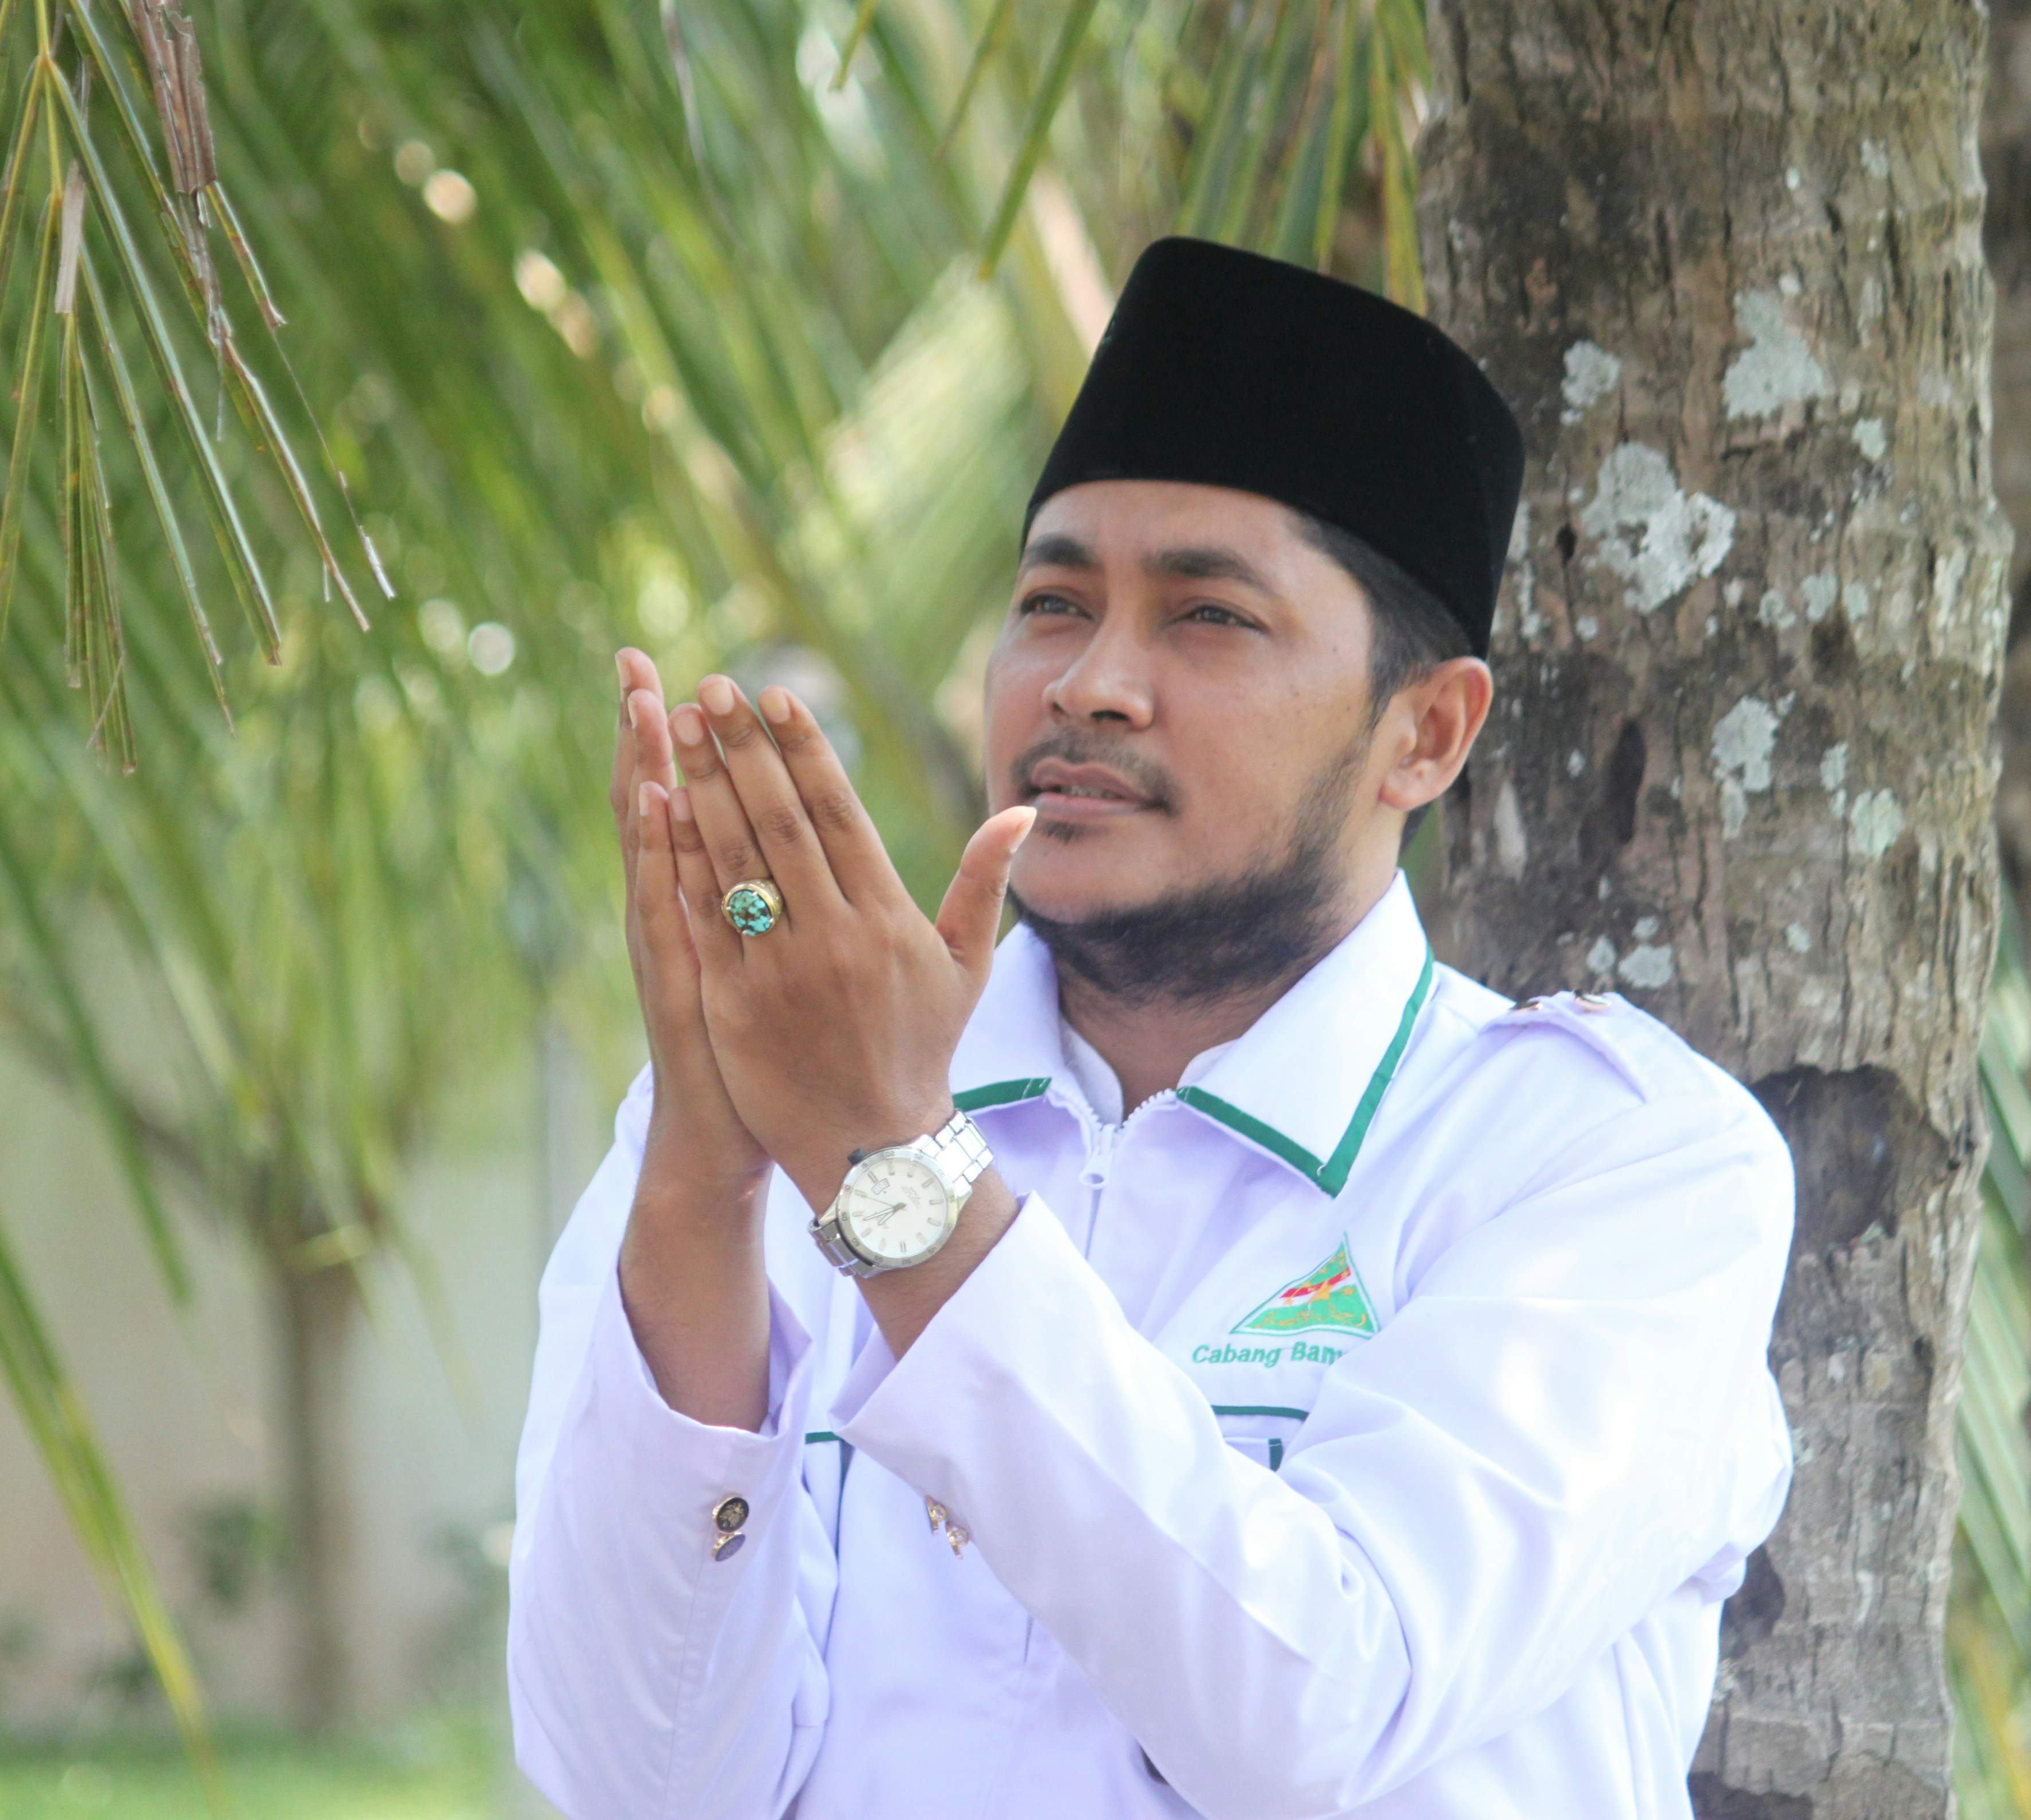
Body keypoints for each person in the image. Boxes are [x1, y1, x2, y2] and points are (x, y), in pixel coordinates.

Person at [506, 237, 1793, 1819]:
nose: (1094, 683)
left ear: (1425, 732)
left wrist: (889, 1173)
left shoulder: (1605, 1159)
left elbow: (1315, 1704)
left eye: (1210, 618)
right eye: (1055, 602)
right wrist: (711, 1179)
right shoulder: (780, 1127)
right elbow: (626, 1783)